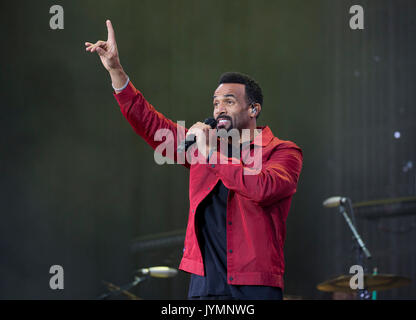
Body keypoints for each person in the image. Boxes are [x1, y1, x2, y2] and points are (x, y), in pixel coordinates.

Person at [85, 20, 303, 300]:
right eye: (215, 102)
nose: (219, 108)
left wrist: (211, 153)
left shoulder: (283, 151)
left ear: (253, 108)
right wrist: (116, 70)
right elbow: (152, 125)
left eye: (229, 101)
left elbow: (263, 188)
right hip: (205, 283)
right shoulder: (203, 146)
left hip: (254, 284)